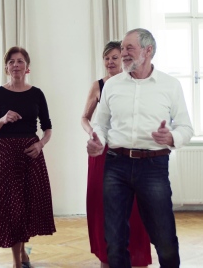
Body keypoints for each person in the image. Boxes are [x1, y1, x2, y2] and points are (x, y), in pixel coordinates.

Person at [87, 28, 194, 268]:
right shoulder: (112, 85)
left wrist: (171, 137)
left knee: (164, 236)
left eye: (129, 48)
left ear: (148, 51)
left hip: (153, 167)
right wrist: (98, 142)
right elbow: (100, 124)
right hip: (116, 165)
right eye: (122, 48)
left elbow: (186, 128)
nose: (123, 53)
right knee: (114, 238)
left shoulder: (170, 85)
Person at [81, 41, 152, 268]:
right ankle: (106, 257)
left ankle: (134, 256)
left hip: (129, 152)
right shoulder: (99, 85)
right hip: (102, 153)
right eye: (107, 58)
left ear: (124, 60)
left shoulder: (135, 85)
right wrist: (94, 133)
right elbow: (84, 117)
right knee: (102, 205)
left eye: (115, 57)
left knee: (133, 207)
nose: (110, 62)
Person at [0, 46, 56, 268]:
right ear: (6, 67)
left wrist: (40, 144)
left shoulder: (37, 94)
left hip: (30, 154)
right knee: (12, 208)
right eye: (12, 61)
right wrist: (3, 119)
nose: (16, 65)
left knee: (26, 206)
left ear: (27, 68)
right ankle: (17, 262)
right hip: (4, 154)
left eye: (20, 61)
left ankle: (23, 251)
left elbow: (48, 128)